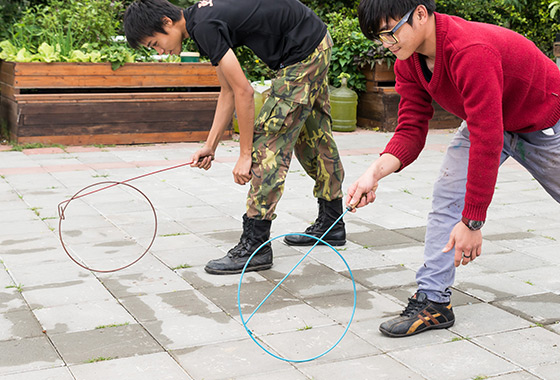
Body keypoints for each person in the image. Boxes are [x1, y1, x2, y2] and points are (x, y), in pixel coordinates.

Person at [348, 0, 560, 337]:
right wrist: (375, 171)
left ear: (420, 13)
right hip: (491, 121)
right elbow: (411, 129)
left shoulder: (470, 50)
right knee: (447, 191)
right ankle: (433, 301)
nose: (388, 45)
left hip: (544, 118)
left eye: (390, 33)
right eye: (380, 39)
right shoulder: (409, 59)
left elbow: (487, 140)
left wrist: (472, 222)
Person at [123, 0, 346, 275]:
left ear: (167, 22)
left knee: (269, 143)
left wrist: (245, 155)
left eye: (154, 43)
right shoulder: (201, 20)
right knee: (313, 135)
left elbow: (244, 91)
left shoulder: (203, 26)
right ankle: (332, 223)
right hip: (313, 40)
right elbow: (227, 90)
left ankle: (256, 246)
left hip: (303, 51)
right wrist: (210, 146)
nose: (159, 51)